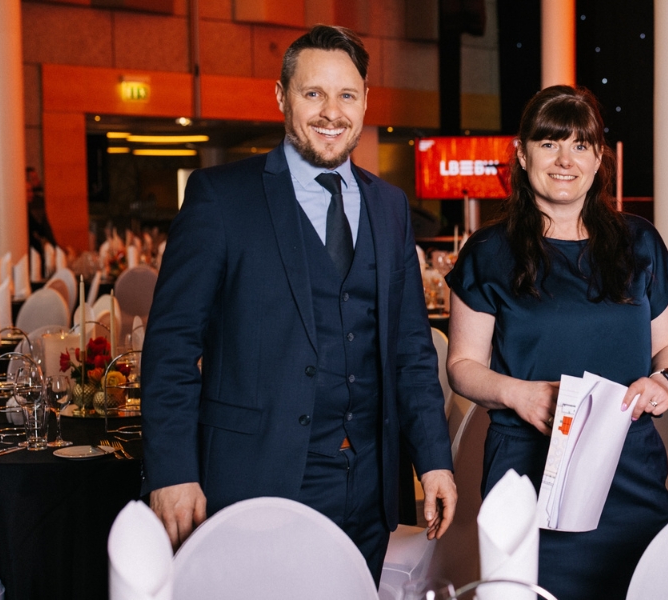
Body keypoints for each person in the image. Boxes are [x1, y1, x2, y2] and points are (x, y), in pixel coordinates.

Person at [141, 25, 456, 583]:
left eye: (347, 95)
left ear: (364, 102)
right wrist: (172, 471)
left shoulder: (389, 205)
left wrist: (433, 457)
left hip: (368, 485)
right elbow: (170, 347)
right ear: (282, 97)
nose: (331, 112)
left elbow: (411, 349)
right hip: (254, 480)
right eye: (313, 93)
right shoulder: (221, 197)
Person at [445, 85, 668, 599]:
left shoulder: (639, 241)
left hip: (629, 467)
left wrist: (663, 383)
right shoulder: (489, 250)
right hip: (528, 469)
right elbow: (461, 365)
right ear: (522, 152)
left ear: (600, 158)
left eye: (581, 145)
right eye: (550, 143)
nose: (565, 159)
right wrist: (518, 394)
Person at [26, 167, 56, 256]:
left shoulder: (39, 201)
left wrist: (55, 245)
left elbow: (44, 227)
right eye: (34, 178)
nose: (38, 181)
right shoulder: (21, 210)